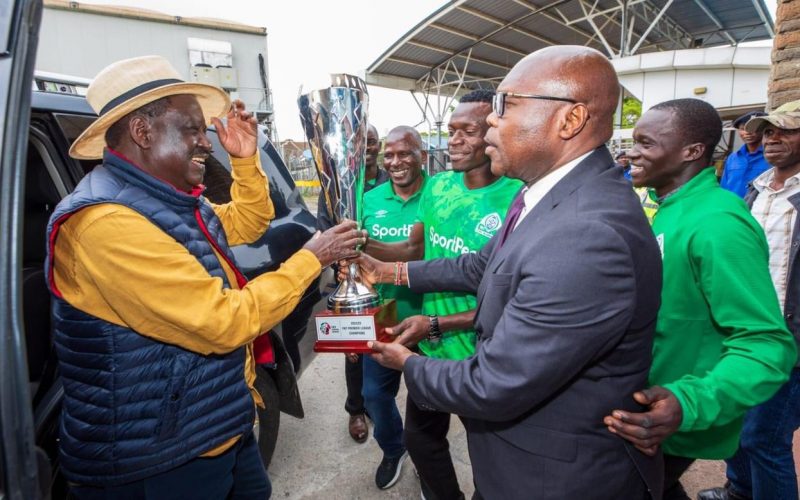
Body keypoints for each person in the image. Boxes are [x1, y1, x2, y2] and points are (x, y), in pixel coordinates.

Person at [354, 45, 664, 499]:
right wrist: (390, 273)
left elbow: (493, 384)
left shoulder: (587, 234)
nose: (492, 123)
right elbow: (482, 266)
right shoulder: (544, 193)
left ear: (570, 120)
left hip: (550, 480)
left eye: (507, 105)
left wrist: (408, 362)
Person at [46, 55, 364, 499]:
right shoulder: (106, 223)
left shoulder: (172, 202)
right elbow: (224, 323)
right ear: (143, 131)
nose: (206, 143)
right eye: (193, 130)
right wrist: (312, 258)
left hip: (215, 426)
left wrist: (248, 160)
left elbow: (248, 221)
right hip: (159, 460)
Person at [603, 98, 796, 500]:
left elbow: (766, 344)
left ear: (691, 152)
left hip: (671, 415)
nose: (632, 153)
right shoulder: (672, 208)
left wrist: (689, 402)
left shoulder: (717, 223)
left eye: (646, 143)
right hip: (647, 403)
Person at [364, 89, 521, 500]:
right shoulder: (438, 188)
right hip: (430, 350)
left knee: (492, 456)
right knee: (422, 441)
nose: (454, 140)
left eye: (467, 131)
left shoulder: (518, 199)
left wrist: (438, 322)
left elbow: (513, 297)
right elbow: (415, 252)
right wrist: (360, 247)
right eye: (451, 130)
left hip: (483, 357)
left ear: (494, 133)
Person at [698, 101, 800, 500]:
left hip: (788, 339)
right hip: (743, 332)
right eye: (769, 130)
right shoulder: (756, 191)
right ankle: (739, 491)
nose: (772, 137)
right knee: (736, 423)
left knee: (764, 438)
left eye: (785, 130)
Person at [360, 125, 428, 489]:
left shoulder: (441, 193)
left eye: (405, 153)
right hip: (384, 314)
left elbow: (413, 252)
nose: (396, 161)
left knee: (427, 402)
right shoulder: (369, 199)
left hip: (432, 314)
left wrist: (360, 248)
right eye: (390, 154)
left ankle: (427, 458)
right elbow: (357, 270)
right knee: (374, 395)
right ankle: (393, 448)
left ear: (422, 155)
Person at [316, 123, 388, 444]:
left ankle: (376, 403)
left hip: (386, 284)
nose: (366, 148)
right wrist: (342, 265)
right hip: (350, 283)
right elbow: (323, 233)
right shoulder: (333, 187)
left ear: (378, 145)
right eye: (359, 144)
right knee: (354, 352)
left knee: (382, 347)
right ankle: (356, 409)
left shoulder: (391, 181)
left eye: (370, 142)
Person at [719, 110, 769, 197]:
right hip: (733, 207)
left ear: (764, 130)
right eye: (743, 129)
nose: (747, 132)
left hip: (758, 208)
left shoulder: (772, 157)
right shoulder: (733, 158)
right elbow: (724, 187)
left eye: (753, 128)